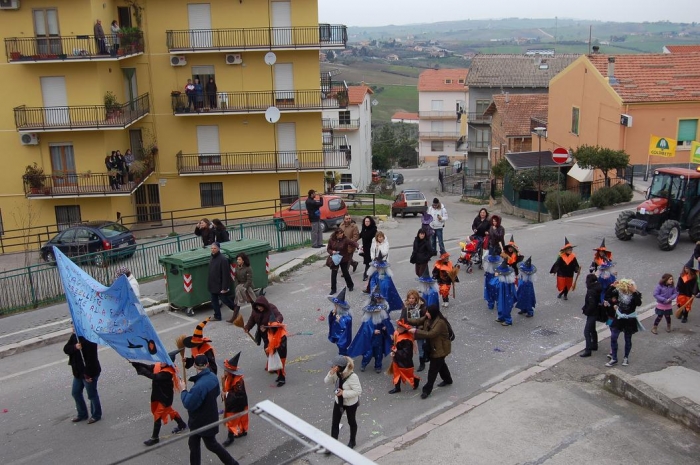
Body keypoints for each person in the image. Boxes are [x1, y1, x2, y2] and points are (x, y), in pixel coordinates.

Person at [180, 355, 239, 465]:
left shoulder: (199, 386)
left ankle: (232, 463)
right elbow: (216, 393)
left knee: (211, 445)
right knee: (194, 444)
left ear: (194, 365)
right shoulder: (212, 377)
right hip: (208, 417)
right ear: (207, 364)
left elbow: (188, 403)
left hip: (200, 421)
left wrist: (183, 390)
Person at [131, 351, 188, 446]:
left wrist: (141, 370)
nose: (161, 361)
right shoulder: (159, 365)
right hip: (158, 394)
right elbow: (150, 367)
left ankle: (155, 437)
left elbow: (154, 376)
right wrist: (137, 364)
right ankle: (181, 424)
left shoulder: (168, 372)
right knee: (169, 410)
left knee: (158, 414)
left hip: (165, 397)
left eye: (164, 360)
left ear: (169, 363)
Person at [408, 304, 453, 399]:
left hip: (440, 349)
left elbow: (431, 334)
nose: (426, 313)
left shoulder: (440, 323)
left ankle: (426, 390)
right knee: (441, 365)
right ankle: (448, 379)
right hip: (434, 347)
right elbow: (418, 321)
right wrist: (406, 320)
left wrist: (416, 331)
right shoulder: (429, 317)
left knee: (433, 370)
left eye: (428, 312)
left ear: (432, 312)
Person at [347, 287, 394, 373]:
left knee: (379, 354)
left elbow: (386, 323)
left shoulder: (382, 315)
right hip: (370, 340)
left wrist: (385, 328)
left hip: (379, 339)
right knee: (368, 353)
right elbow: (365, 328)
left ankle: (378, 366)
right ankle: (364, 364)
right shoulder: (368, 318)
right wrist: (373, 331)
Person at [64, 325, 102, 424]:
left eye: (74, 325)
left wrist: (88, 374)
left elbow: (91, 359)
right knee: (75, 393)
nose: (72, 327)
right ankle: (82, 414)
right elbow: (66, 349)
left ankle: (96, 415)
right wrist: (75, 347)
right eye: (72, 325)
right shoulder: (74, 337)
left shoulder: (89, 338)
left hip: (89, 373)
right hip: (78, 372)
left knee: (92, 395)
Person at [324, 355, 362, 450]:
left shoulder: (352, 377)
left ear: (339, 367)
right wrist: (331, 373)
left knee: (351, 421)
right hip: (339, 402)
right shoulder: (336, 373)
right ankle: (333, 445)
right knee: (335, 423)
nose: (331, 367)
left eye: (333, 366)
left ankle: (352, 441)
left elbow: (358, 391)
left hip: (350, 403)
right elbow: (326, 382)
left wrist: (343, 393)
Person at [604, 279, 642, 367]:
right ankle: (614, 358)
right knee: (614, 337)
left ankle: (626, 357)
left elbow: (638, 303)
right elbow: (607, 296)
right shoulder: (619, 292)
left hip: (629, 319)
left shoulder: (635, 294)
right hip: (619, 317)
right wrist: (612, 286)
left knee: (627, 339)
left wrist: (634, 291)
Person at [243, 296, 284, 373]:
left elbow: (279, 316)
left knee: (273, 348)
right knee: (267, 348)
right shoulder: (255, 311)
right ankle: (272, 364)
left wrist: (274, 323)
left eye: (260, 306)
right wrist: (247, 327)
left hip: (273, 333)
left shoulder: (271, 308)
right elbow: (252, 320)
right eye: (257, 307)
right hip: (264, 334)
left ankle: (275, 365)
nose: (259, 308)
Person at [388, 309, 421, 394]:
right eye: (398, 327)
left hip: (404, 361)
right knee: (396, 373)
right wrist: (392, 350)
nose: (398, 328)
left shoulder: (407, 340)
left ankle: (415, 380)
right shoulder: (396, 333)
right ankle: (397, 387)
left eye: (400, 327)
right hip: (397, 358)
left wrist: (396, 352)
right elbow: (394, 343)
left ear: (404, 328)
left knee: (407, 374)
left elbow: (407, 353)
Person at [221, 352, 248, 447]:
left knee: (233, 419)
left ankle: (230, 437)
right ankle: (243, 431)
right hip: (235, 402)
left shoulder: (238, 381)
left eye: (226, 370)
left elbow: (238, 395)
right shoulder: (228, 377)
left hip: (237, 403)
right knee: (240, 417)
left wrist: (226, 394)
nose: (224, 372)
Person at [208, 242, 237, 321]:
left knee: (225, 300)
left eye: (214, 248)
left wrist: (224, 287)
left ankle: (235, 309)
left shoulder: (223, 259)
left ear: (218, 249)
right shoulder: (212, 258)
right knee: (214, 302)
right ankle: (217, 316)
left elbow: (225, 274)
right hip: (213, 284)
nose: (213, 250)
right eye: (212, 248)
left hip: (220, 285)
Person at [403, 289, 427, 371]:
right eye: (409, 298)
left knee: (421, 348)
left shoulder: (422, 307)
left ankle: (422, 363)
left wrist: (420, 328)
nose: (411, 300)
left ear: (416, 299)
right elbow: (403, 318)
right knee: (408, 348)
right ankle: (408, 363)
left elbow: (425, 319)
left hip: (418, 330)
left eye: (413, 298)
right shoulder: (406, 307)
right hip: (409, 330)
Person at [228, 252, 256, 324]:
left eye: (239, 259)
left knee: (252, 301)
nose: (238, 261)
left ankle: (256, 315)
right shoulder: (237, 267)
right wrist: (237, 285)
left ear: (243, 260)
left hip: (247, 287)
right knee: (237, 303)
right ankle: (234, 317)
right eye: (237, 259)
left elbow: (249, 280)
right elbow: (236, 278)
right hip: (240, 287)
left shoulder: (248, 268)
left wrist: (245, 287)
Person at [326, 228, 355, 295]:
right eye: (340, 234)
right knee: (334, 274)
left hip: (343, 258)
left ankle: (350, 285)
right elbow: (328, 249)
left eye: (342, 233)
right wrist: (332, 251)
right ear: (336, 234)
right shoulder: (331, 240)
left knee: (345, 272)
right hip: (335, 258)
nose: (341, 234)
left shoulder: (345, 239)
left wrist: (358, 246)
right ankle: (333, 289)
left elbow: (352, 242)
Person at [579, 274, 602, 357]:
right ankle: (594, 345)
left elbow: (591, 304)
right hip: (597, 311)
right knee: (592, 329)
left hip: (592, 313)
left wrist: (586, 311)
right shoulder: (598, 287)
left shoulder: (591, 291)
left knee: (587, 331)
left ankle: (588, 350)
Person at [263, 315, 288, 387]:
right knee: (277, 366)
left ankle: (282, 379)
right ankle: (279, 377)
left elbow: (282, 346)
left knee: (281, 366)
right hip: (274, 352)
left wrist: (273, 348)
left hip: (281, 353)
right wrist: (269, 348)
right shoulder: (270, 332)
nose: (271, 329)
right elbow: (270, 342)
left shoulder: (282, 334)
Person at [328, 288, 353, 356]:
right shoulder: (337, 313)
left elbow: (345, 326)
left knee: (342, 349)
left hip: (342, 337)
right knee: (339, 347)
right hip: (336, 334)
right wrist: (331, 314)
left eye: (336, 305)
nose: (334, 307)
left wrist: (340, 320)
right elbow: (331, 320)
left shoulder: (347, 317)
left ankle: (344, 359)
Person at [494, 260, 517, 326]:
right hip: (501, 295)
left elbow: (512, 290)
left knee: (506, 307)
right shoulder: (503, 280)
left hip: (507, 296)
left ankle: (508, 320)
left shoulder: (508, 282)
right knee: (500, 305)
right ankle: (501, 317)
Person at [676, 259, 697, 324]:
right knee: (680, 303)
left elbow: (696, 286)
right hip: (682, 292)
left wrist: (694, 293)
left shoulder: (694, 277)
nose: (686, 269)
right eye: (685, 268)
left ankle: (685, 317)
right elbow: (679, 284)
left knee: (687, 306)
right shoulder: (682, 275)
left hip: (689, 293)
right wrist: (677, 289)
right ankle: (681, 311)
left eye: (687, 268)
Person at [358, 216, 377, 281]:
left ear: (371, 222)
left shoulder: (373, 229)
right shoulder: (364, 228)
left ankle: (365, 275)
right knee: (367, 262)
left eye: (368, 221)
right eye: (366, 221)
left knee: (368, 262)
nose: (367, 223)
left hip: (371, 248)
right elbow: (360, 235)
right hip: (365, 248)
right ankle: (369, 273)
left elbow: (367, 236)